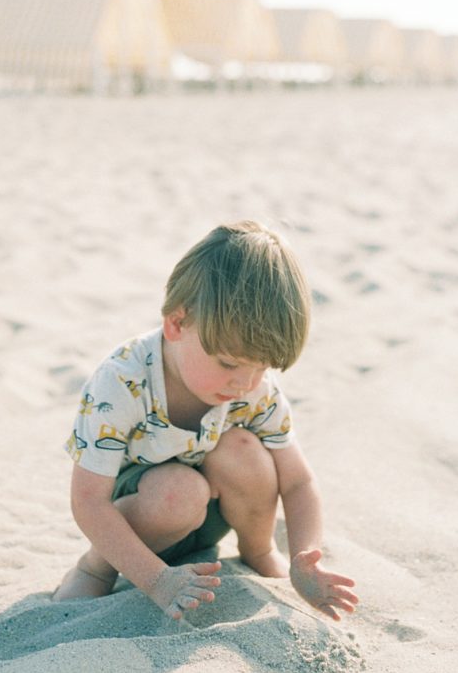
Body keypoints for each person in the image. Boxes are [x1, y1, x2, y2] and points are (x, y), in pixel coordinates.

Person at [54, 220, 358, 622]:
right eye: (229, 363)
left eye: (261, 367)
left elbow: (298, 481)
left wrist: (303, 556)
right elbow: (88, 502)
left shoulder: (253, 387)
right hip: (142, 517)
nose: (245, 383)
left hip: (216, 513)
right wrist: (157, 580)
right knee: (180, 490)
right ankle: (96, 567)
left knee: (244, 448)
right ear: (177, 324)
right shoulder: (122, 381)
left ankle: (259, 551)